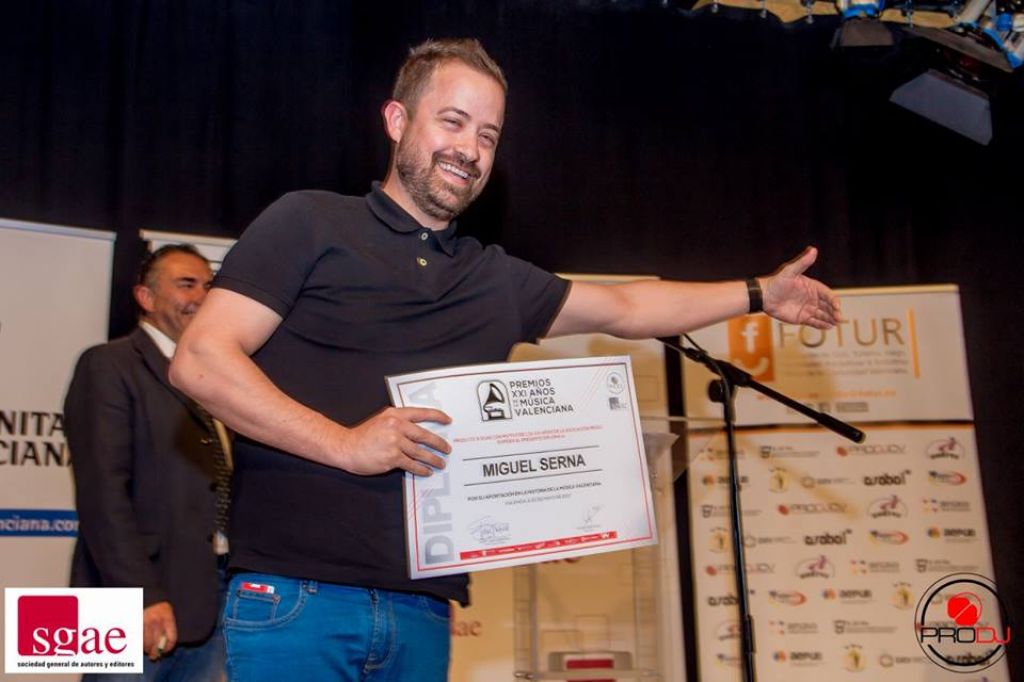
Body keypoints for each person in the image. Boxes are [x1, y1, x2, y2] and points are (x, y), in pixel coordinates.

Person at [169, 38, 839, 682]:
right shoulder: (309, 223)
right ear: (397, 121)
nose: (470, 148)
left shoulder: (493, 279)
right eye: (453, 121)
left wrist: (760, 293)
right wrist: (345, 444)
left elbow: (628, 306)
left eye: (488, 135)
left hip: (423, 611)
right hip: (297, 599)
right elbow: (199, 361)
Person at [66, 244, 228, 681]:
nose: (201, 296)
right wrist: (140, 595)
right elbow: (102, 494)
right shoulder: (107, 363)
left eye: (209, 286)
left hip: (208, 592)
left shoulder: (217, 376)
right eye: (186, 284)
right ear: (146, 297)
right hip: (128, 594)